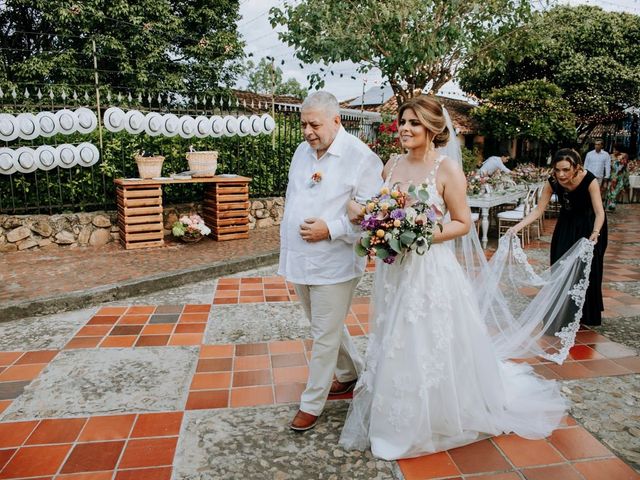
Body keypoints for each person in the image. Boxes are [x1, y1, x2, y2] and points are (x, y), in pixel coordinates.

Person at [339, 96, 571, 460]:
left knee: (424, 336)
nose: (404, 128)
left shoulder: (446, 170)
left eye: (413, 123)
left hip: (430, 269)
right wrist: (372, 220)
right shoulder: (392, 164)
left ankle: (433, 413)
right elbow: (381, 209)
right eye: (402, 121)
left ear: (432, 129)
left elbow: (463, 223)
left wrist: (421, 234)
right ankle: (395, 408)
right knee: (395, 333)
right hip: (395, 270)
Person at [278, 91, 383, 431]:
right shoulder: (301, 151)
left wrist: (331, 229)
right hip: (299, 258)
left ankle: (312, 403)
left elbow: (373, 217)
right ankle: (352, 372)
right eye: (303, 124)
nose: (307, 132)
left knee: (323, 334)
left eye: (314, 124)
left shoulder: (362, 158)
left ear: (337, 121)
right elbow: (295, 194)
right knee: (326, 326)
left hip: (334, 262)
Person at [508, 148, 607, 326]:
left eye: (566, 170)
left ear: (576, 167)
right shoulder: (552, 182)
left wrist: (595, 233)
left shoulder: (589, 180)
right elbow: (538, 210)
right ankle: (563, 313)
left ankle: (586, 315)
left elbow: (600, 212)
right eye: (557, 170)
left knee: (588, 269)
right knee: (561, 264)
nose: (561, 174)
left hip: (590, 226)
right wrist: (516, 227)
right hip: (566, 225)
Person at [604, 143, 630, 211]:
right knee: (609, 191)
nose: (614, 151)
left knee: (615, 192)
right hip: (612, 176)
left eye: (616, 150)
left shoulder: (624, 156)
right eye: (613, 149)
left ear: (619, 150)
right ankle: (608, 206)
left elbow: (623, 166)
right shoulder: (610, 156)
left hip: (619, 176)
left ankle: (612, 206)